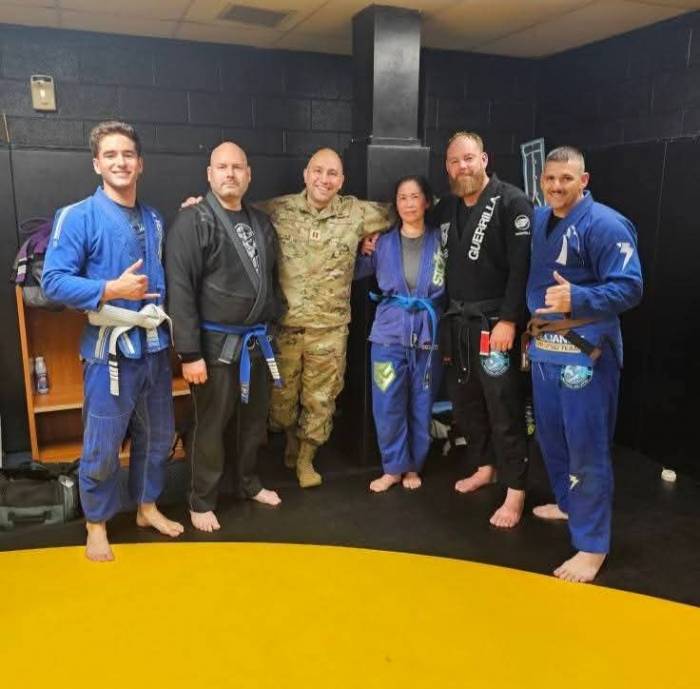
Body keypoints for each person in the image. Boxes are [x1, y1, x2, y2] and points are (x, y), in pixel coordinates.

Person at [43, 120, 184, 562]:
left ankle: (146, 506)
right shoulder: (78, 215)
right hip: (110, 352)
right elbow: (52, 281)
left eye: (127, 155)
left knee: (158, 437)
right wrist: (109, 289)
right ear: (96, 164)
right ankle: (97, 522)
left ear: (140, 164)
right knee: (103, 442)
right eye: (110, 155)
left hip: (153, 347)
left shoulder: (154, 218)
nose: (120, 162)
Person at [525, 146, 642, 582]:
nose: (556, 186)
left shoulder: (606, 224)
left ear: (584, 180)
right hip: (544, 346)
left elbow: (630, 287)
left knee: (586, 445)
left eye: (566, 179)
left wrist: (580, 296)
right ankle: (568, 503)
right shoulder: (540, 219)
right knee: (552, 439)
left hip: (585, 351)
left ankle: (592, 545)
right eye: (550, 178)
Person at [165, 142, 285, 532]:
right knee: (210, 425)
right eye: (222, 167)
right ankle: (201, 499)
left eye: (237, 167)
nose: (230, 173)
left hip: (257, 342)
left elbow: (271, 279)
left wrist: (274, 322)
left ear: (248, 175)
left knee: (252, 422)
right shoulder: (193, 221)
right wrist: (189, 353)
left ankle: (248, 483)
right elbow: (180, 289)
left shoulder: (261, 221)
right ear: (209, 174)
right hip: (214, 347)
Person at [254, 149, 391, 488]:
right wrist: (198, 205)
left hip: (329, 330)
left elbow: (406, 210)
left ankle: (306, 458)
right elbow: (234, 211)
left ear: (341, 181)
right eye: (318, 171)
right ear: (306, 174)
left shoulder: (355, 213)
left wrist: (376, 238)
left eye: (332, 174)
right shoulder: (279, 209)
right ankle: (291, 439)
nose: (324, 179)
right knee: (281, 401)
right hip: (285, 327)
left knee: (320, 400)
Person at [434, 131, 532, 528]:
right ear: (447, 167)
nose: (463, 167)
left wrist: (510, 319)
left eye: (469, 158)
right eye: (455, 161)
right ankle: (485, 466)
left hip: (495, 324)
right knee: (467, 403)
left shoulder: (512, 202)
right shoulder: (447, 208)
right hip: (458, 324)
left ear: (484, 159)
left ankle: (516, 489)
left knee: (503, 405)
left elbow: (522, 267)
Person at [355, 176, 445, 492]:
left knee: (421, 402)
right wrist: (361, 248)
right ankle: (392, 468)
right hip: (388, 335)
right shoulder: (382, 243)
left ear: (427, 202)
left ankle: (413, 467)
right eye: (402, 198)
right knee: (387, 403)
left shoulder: (442, 241)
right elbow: (354, 271)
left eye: (415, 196)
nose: (408, 203)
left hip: (428, 335)